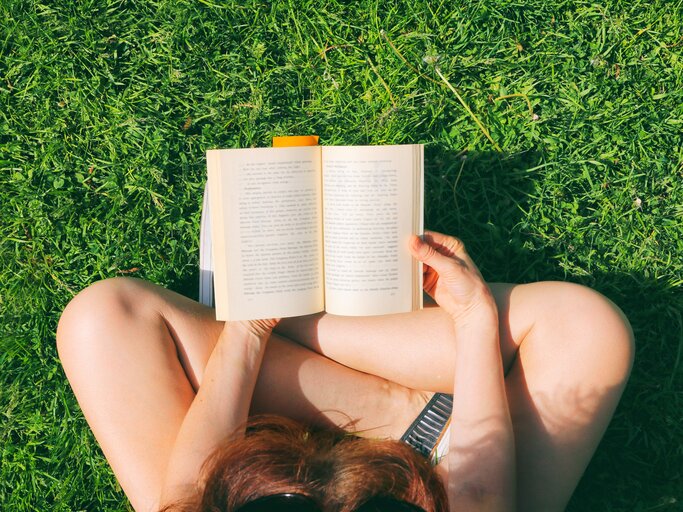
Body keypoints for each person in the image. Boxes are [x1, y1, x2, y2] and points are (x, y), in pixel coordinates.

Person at [56, 231, 634, 512]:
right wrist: (472, 317)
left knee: (103, 319)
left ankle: (287, 312)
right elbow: (479, 495)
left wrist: (249, 331)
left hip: (255, 445)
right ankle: (409, 408)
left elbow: (189, 490)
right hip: (443, 469)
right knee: (587, 331)